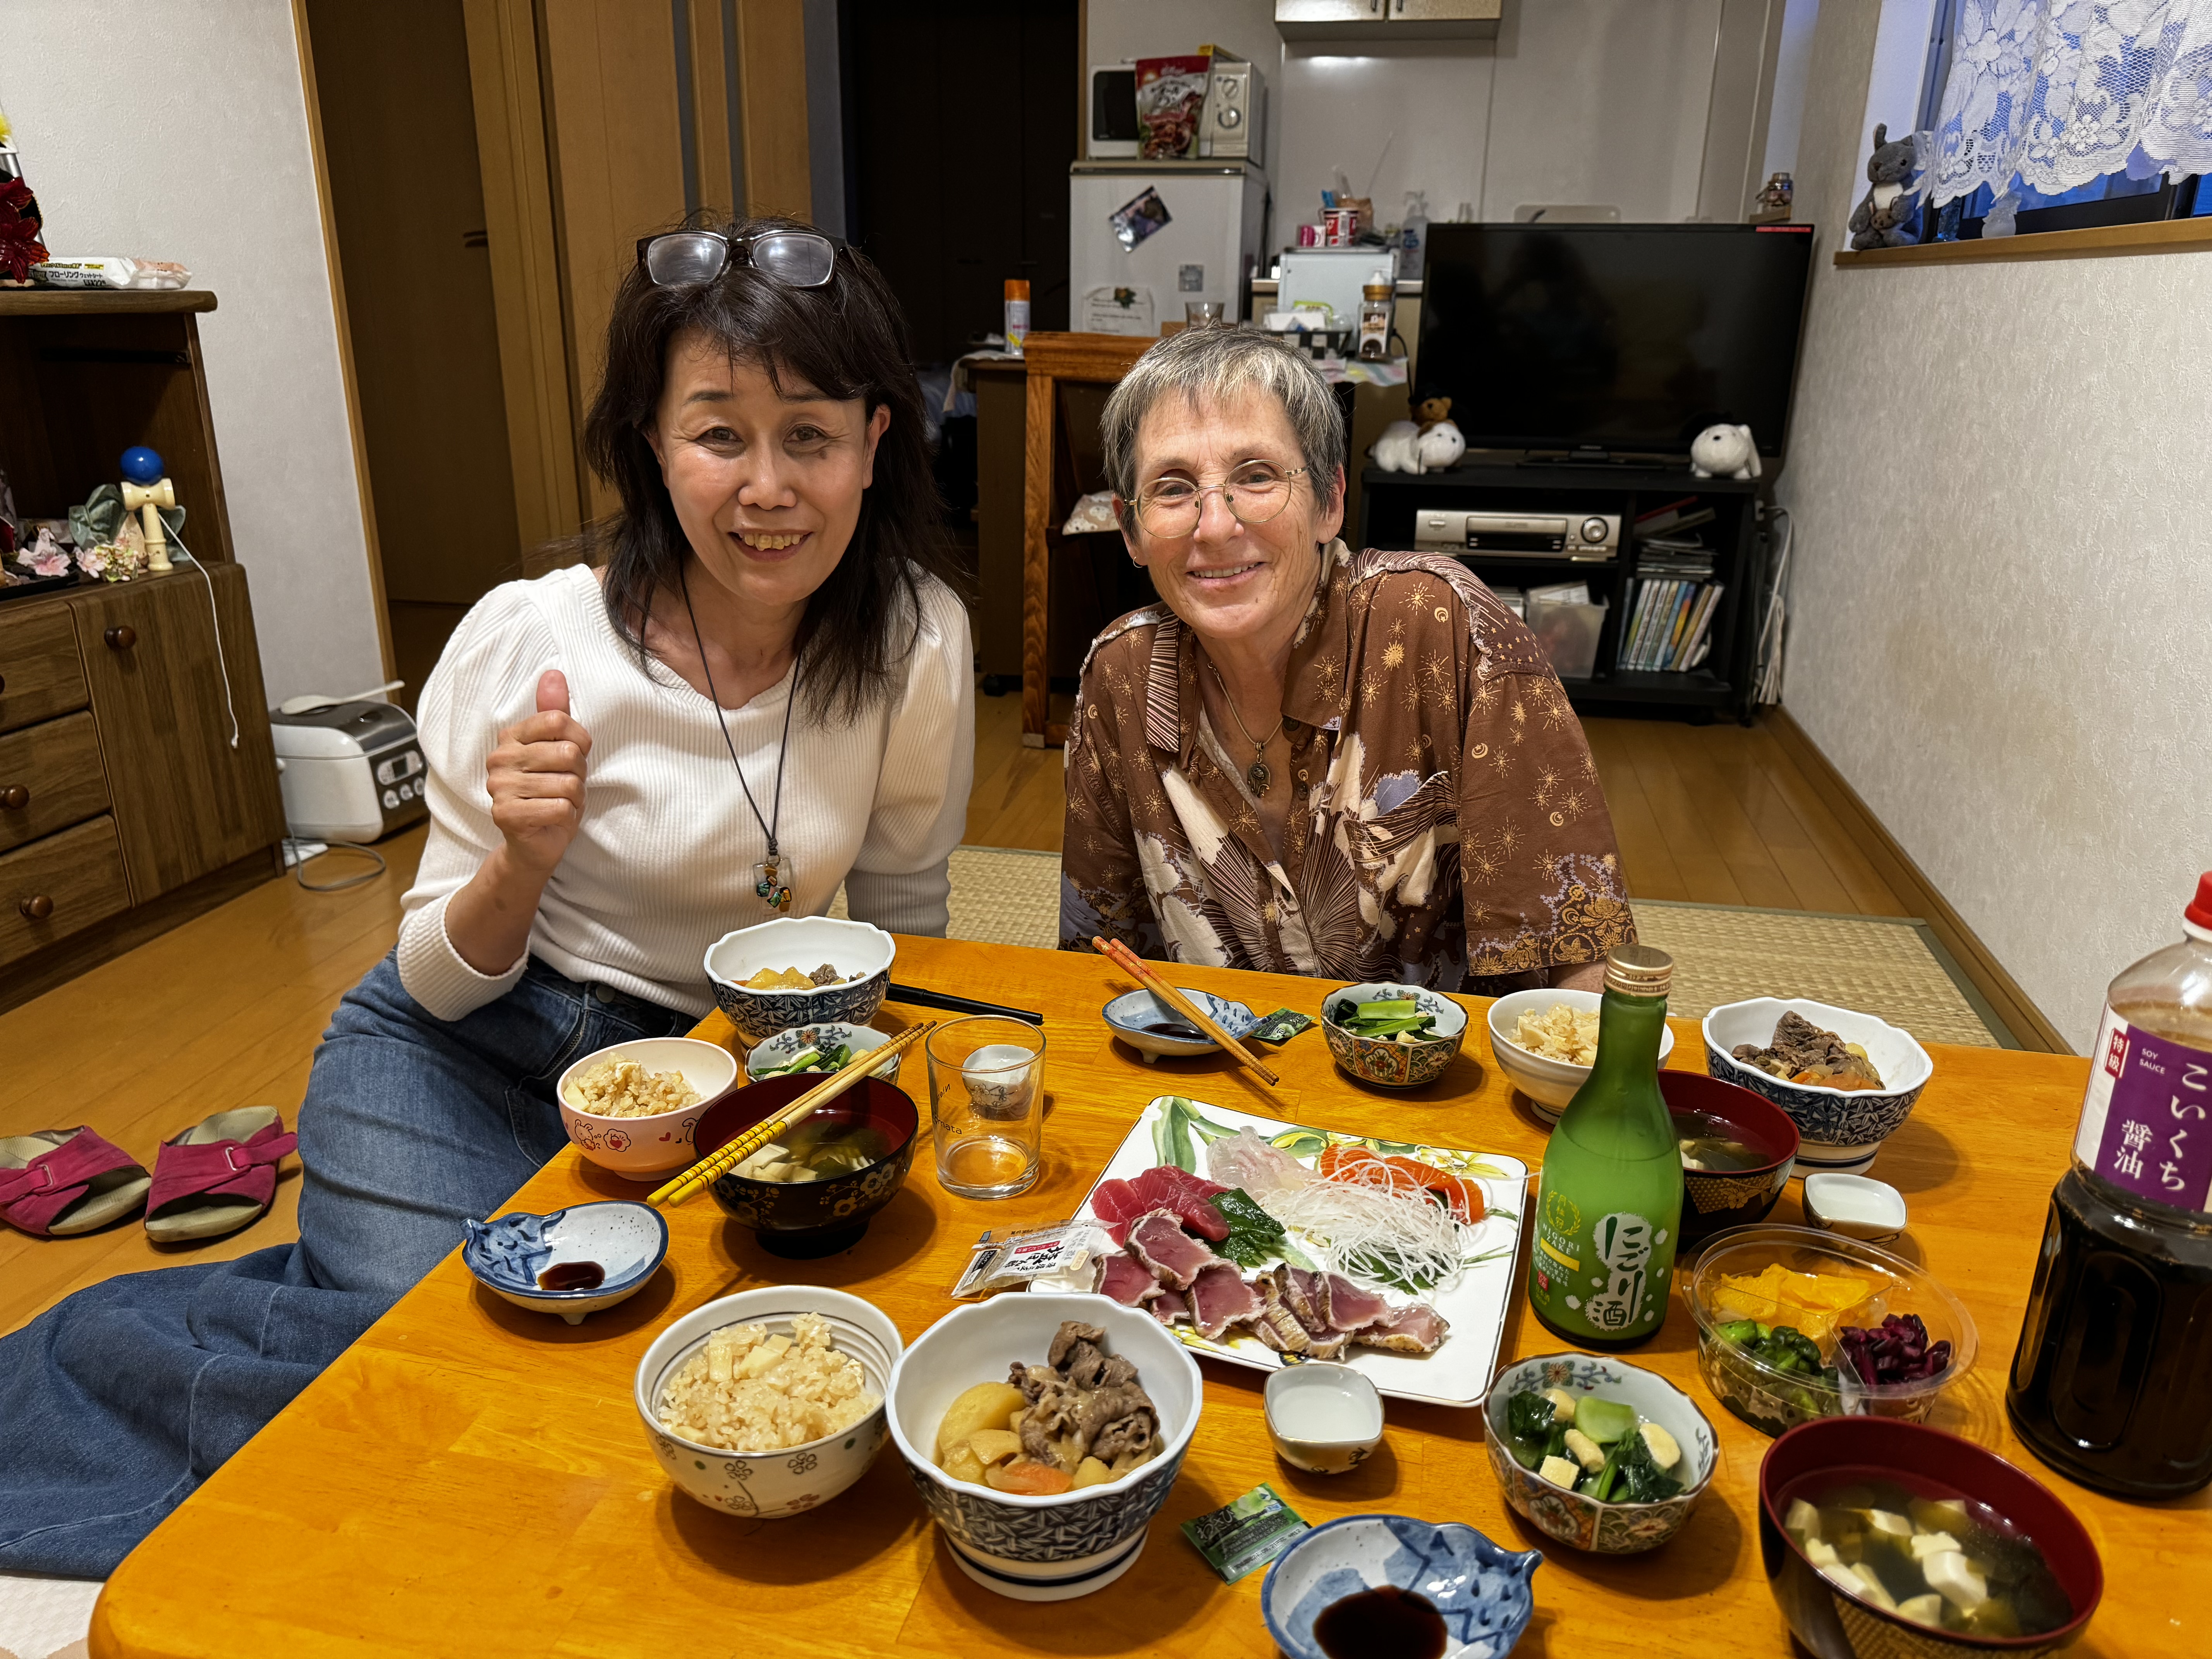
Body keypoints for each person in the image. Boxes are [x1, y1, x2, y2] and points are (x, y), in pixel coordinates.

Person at [0, 216, 972, 1576]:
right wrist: (520, 856)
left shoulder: (915, 640)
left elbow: (904, 914)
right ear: (650, 443)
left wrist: (887, 1104)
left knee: (684, 1369)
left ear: (874, 441)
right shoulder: (535, 637)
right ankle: (82, 1372)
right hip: (460, 1060)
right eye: (718, 434)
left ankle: (319, 1291)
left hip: (719, 1089)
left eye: (808, 434)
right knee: (487, 1381)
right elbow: (435, 980)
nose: (768, 487)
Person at [1060, 324, 1633, 990]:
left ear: (1329, 502)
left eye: (1257, 476)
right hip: (1212, 1056)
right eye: (1173, 488)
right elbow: (1099, 962)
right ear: (1131, 530)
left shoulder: (1444, 627)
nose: (1214, 526)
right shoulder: (1122, 674)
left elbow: (1578, 966)